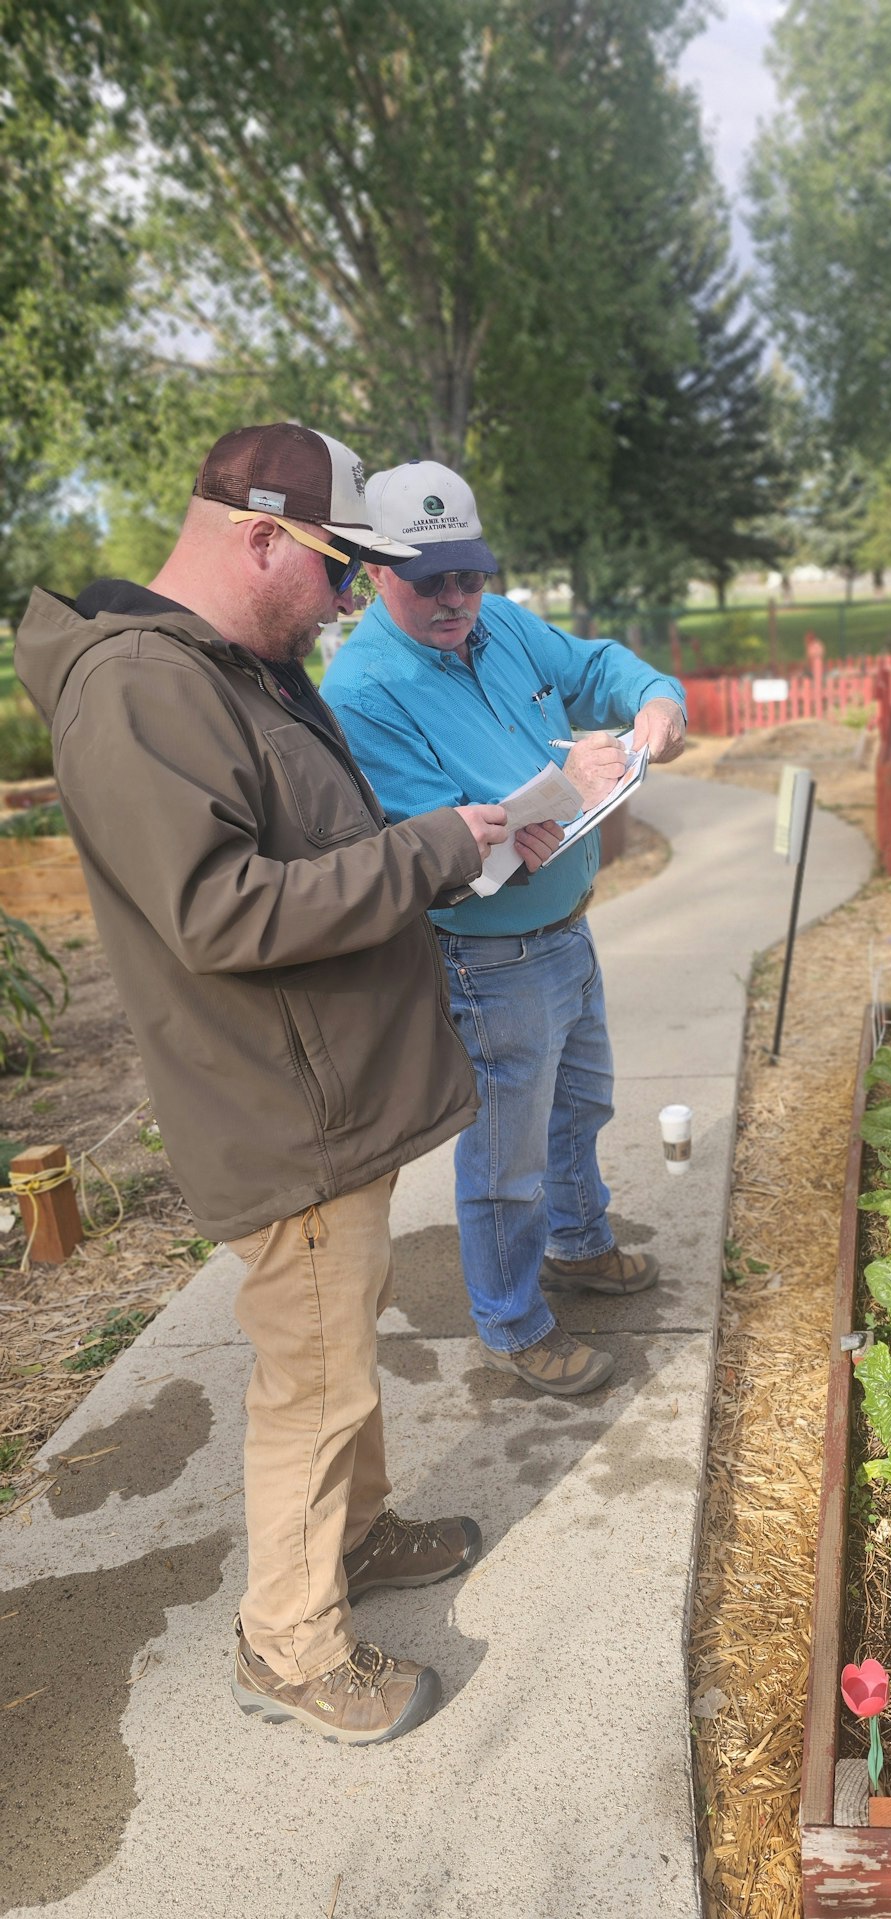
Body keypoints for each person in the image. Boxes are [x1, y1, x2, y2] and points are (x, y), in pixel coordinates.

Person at [14, 423, 561, 1747]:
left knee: (340, 1360)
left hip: (326, 1096)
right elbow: (221, 911)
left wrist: (462, 844)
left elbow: (305, 842)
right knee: (313, 1382)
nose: (341, 603)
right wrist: (431, 851)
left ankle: (355, 1537)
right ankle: (293, 1640)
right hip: (283, 1113)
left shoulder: (233, 668)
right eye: (335, 570)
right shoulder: (147, 688)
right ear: (263, 537)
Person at [322, 459, 687, 1397]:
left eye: (468, 574)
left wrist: (653, 702)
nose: (454, 600)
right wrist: (566, 804)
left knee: (582, 1106)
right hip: (490, 958)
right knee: (504, 1156)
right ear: (372, 573)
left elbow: (598, 665)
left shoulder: (499, 622)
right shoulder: (362, 692)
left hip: (565, 924)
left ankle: (576, 1244)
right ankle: (514, 1324)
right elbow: (448, 854)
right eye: (428, 579)